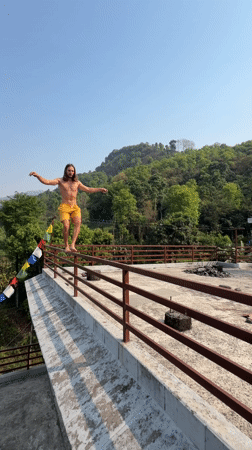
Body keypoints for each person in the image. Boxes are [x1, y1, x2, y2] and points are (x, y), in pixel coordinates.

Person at [29, 164, 108, 253]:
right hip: (65, 207)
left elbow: (88, 189)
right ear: (66, 171)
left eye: (72, 171)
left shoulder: (77, 182)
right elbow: (47, 182)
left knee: (78, 222)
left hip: (74, 207)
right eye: (69, 170)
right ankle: (66, 245)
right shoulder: (60, 181)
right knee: (66, 226)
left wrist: (100, 189)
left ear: (74, 172)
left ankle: (72, 244)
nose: (71, 172)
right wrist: (38, 176)